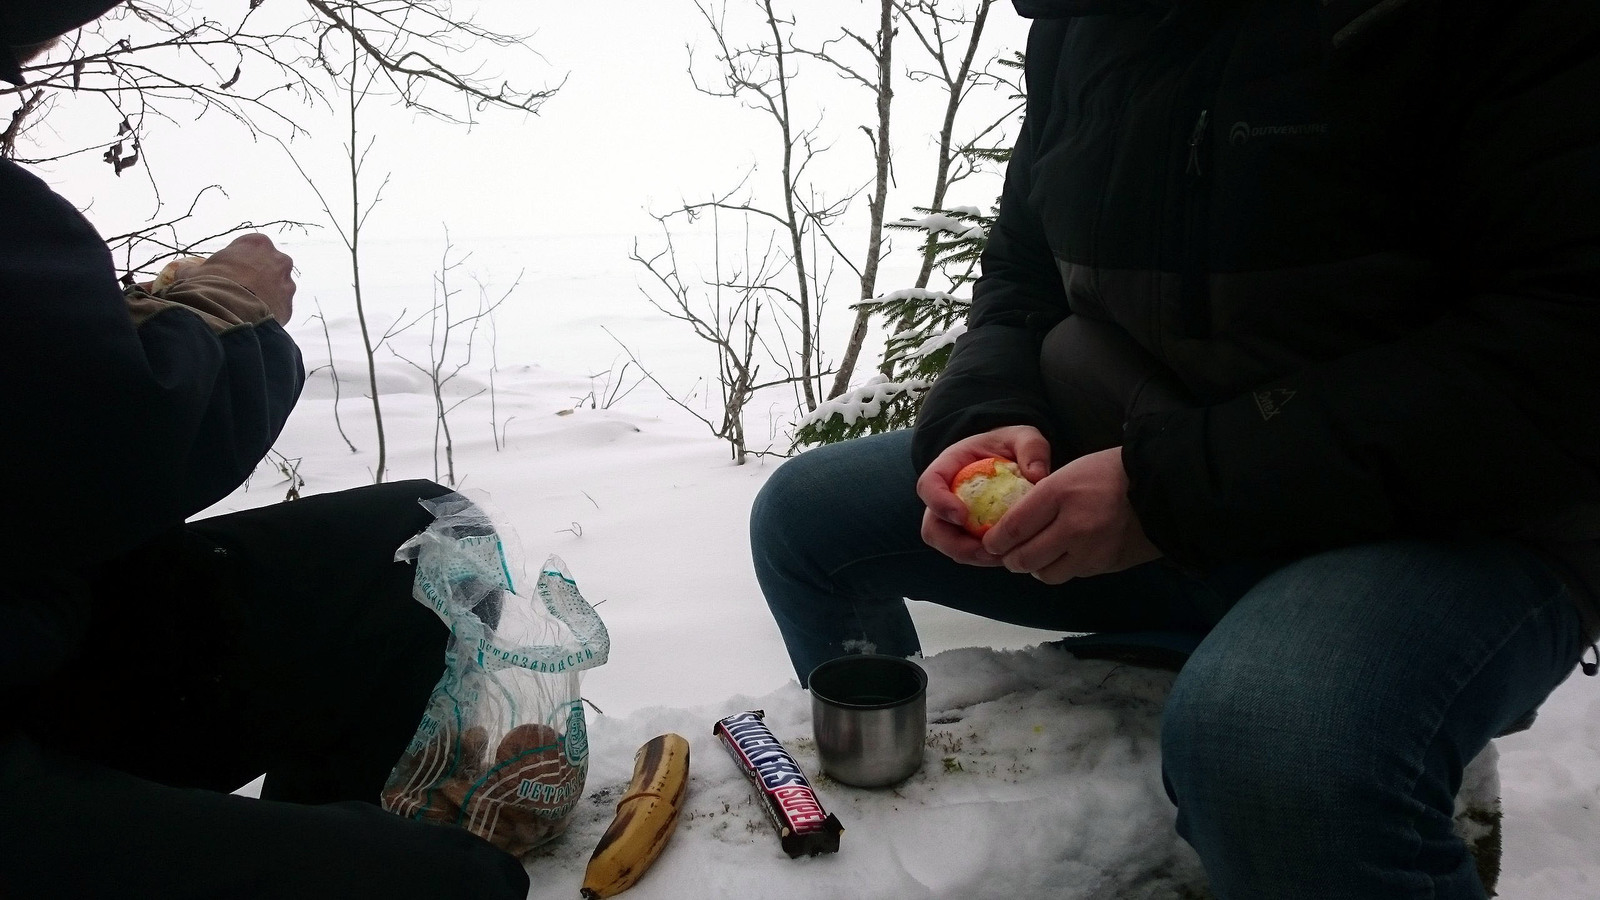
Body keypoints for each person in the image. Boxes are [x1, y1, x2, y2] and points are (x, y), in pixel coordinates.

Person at [751, 0, 1600, 896]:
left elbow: (1566, 346)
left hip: (1454, 517)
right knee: (808, 522)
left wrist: (1166, 493)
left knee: (1273, 754)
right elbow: (1022, 273)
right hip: (1159, 476)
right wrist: (984, 418)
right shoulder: (1080, 28)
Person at [0, 4, 528, 897]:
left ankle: (331, 830)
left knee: (428, 535)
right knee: (461, 884)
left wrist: (138, 320)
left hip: (52, 635)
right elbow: (118, 446)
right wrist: (224, 308)